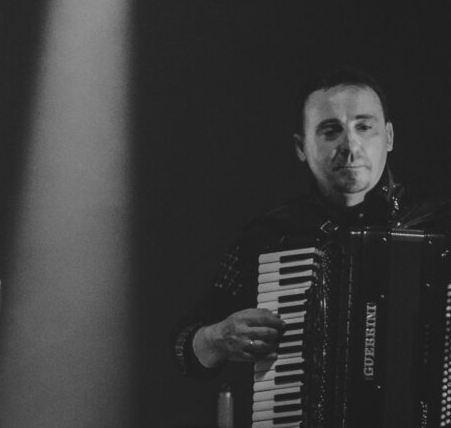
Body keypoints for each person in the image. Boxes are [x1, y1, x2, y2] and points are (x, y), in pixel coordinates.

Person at [173, 69, 451, 377]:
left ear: (389, 137)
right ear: (301, 147)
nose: (350, 146)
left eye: (364, 127)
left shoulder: (439, 223)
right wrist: (214, 339)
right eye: (330, 131)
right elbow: (182, 349)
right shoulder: (272, 236)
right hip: (305, 408)